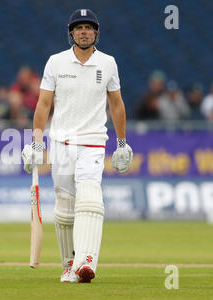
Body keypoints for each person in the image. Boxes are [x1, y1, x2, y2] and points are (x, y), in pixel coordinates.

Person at [21, 9, 132, 283]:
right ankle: (69, 265)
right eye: (79, 28)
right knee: (65, 207)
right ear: (71, 32)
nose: (84, 32)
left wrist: (121, 143)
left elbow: (116, 104)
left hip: (93, 142)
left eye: (89, 28)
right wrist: (36, 143)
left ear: (96, 33)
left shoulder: (108, 63)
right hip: (60, 142)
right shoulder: (55, 62)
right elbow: (44, 104)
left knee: (90, 195)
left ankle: (87, 262)